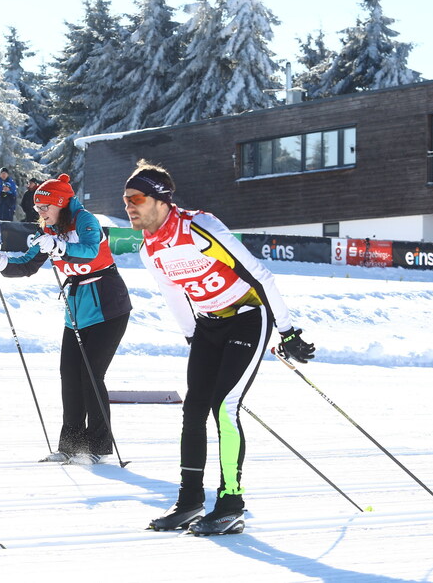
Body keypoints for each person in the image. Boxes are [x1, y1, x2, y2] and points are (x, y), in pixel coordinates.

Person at [123, 159, 315, 536]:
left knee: (225, 408)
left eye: (136, 197)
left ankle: (231, 504)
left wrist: (288, 331)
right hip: (208, 325)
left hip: (247, 316)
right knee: (193, 410)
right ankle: (190, 500)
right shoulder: (150, 249)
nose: (128, 204)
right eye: (125, 198)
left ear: (161, 200)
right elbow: (173, 293)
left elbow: (259, 275)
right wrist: (192, 335)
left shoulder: (199, 228)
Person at [0, 174, 132, 464]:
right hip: (77, 306)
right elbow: (26, 264)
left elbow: (89, 251)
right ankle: (71, 446)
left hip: (109, 303)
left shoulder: (85, 220)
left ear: (61, 203)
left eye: (44, 207)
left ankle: (98, 447)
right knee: (70, 376)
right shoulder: (49, 229)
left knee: (91, 374)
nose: (40, 212)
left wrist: (60, 247)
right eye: (38, 208)